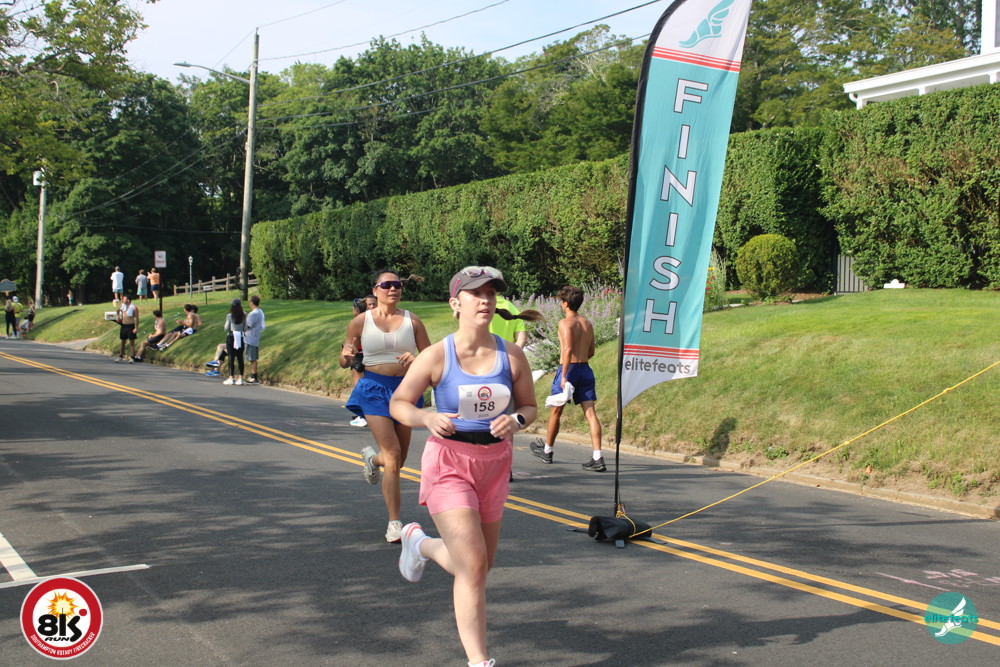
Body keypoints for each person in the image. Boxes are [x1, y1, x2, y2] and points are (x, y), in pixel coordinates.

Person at [390, 266, 537, 667]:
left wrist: (516, 420)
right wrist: (426, 417)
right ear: (455, 303)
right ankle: (479, 661)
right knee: (472, 566)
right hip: (449, 463)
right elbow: (399, 403)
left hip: (494, 464)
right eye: (476, 293)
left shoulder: (511, 355)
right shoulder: (437, 355)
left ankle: (420, 544)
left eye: (491, 293)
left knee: (480, 567)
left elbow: (529, 407)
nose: (485, 300)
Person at [340, 269, 431, 543]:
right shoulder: (360, 322)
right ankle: (394, 523)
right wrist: (346, 357)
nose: (393, 289)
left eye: (397, 285)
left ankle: (372, 459)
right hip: (373, 389)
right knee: (393, 454)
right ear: (375, 290)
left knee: (397, 460)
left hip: (405, 390)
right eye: (387, 285)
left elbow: (431, 357)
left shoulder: (413, 321)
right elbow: (344, 358)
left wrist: (416, 359)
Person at [530, 285, 605, 471]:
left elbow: (567, 348)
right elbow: (591, 351)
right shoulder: (587, 323)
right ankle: (598, 457)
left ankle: (547, 451)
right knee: (590, 413)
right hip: (585, 369)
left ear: (565, 304)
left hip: (569, 369)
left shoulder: (565, 323)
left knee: (556, 411)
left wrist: (563, 375)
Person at [347, 295, 377, 426]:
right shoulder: (377, 321)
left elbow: (354, 342)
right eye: (370, 304)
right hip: (373, 357)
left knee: (360, 388)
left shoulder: (357, 322)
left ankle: (364, 416)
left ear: (356, 310)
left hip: (359, 356)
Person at [222, 298, 247, 385]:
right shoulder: (244, 314)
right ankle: (241, 378)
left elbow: (226, 328)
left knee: (231, 357)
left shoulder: (230, 315)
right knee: (240, 358)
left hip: (231, 336)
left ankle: (231, 377)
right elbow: (245, 328)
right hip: (240, 337)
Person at [244, 295, 266, 384]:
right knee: (252, 358)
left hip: (251, 338)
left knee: (252, 358)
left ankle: (254, 377)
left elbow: (247, 325)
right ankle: (253, 376)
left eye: (250, 301)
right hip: (255, 337)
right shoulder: (260, 311)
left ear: (252, 303)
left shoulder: (253, 314)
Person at [115, 294, 139, 363]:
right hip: (124, 326)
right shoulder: (123, 306)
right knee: (122, 341)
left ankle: (132, 357)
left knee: (132, 342)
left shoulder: (134, 307)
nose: (123, 300)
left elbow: (137, 318)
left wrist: (136, 328)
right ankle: (121, 356)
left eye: (124, 299)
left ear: (128, 300)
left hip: (130, 326)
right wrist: (118, 317)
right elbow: (118, 310)